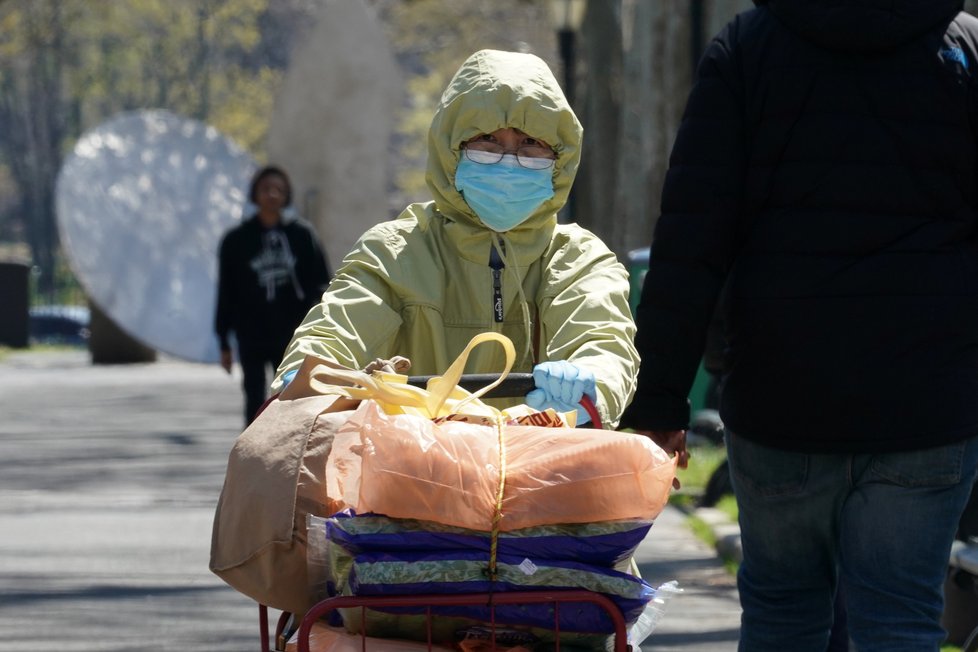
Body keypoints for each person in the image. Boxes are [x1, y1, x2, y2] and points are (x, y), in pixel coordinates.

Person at [619, 1, 978, 650]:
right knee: (901, 621)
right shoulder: (966, 50)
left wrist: (658, 404)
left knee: (783, 615)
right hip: (930, 405)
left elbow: (690, 243)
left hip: (782, 401)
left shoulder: (748, 49)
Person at [270, 49, 639, 429]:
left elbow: (602, 341)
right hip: (409, 470)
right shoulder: (395, 252)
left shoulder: (579, 260)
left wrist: (592, 386)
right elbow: (338, 328)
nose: (509, 160)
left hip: (541, 471)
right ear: (451, 152)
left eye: (531, 143)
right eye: (487, 141)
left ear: (560, 159)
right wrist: (304, 373)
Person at [215, 165, 331, 425]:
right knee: (254, 396)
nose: (272, 194)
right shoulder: (236, 240)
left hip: (293, 332)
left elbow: (322, 283)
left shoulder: (303, 236)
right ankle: (254, 453)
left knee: (293, 395)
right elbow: (226, 291)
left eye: (279, 189)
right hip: (251, 332)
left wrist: (318, 327)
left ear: (287, 195)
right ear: (254, 194)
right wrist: (223, 340)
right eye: (266, 189)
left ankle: (289, 449)